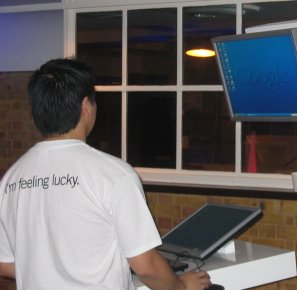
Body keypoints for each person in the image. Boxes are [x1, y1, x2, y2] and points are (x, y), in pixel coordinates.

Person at [0, 58, 211, 290]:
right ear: (86, 107)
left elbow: (5, 264)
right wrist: (182, 286)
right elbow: (146, 267)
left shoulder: (11, 179)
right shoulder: (114, 175)